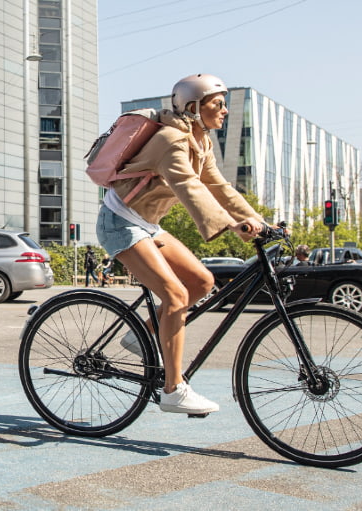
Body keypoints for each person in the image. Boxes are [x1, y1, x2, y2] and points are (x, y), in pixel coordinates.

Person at [97, 73, 266, 414]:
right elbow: (190, 188)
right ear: (193, 107)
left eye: (224, 104)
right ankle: (173, 390)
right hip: (121, 222)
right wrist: (233, 224)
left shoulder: (200, 142)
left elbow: (219, 187)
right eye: (217, 104)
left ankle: (141, 335)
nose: (225, 111)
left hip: (147, 223)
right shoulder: (172, 140)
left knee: (202, 282)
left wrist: (260, 221)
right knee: (174, 297)